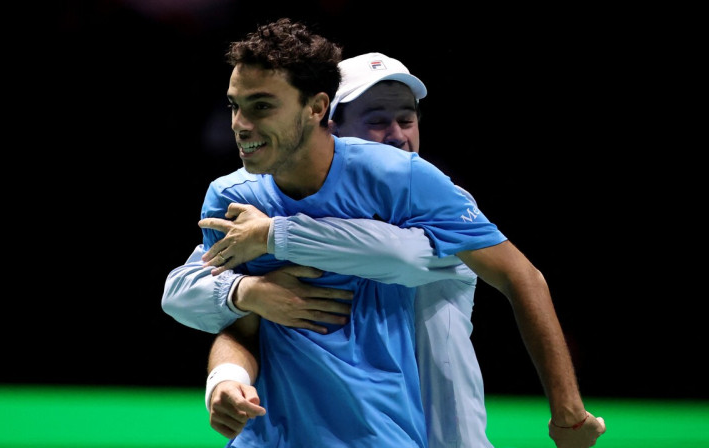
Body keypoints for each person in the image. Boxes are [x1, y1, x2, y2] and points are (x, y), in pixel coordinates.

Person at [163, 47, 606, 447]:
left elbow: (403, 256)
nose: (396, 137)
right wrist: (232, 356)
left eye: (407, 118)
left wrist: (274, 235)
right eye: (376, 120)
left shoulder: (418, 189)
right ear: (329, 119)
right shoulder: (236, 195)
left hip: (410, 431)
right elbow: (208, 303)